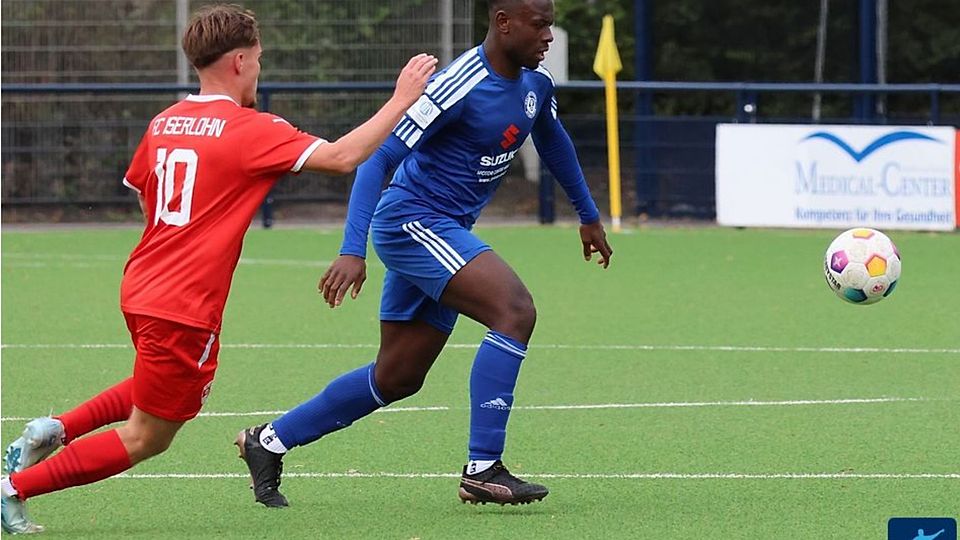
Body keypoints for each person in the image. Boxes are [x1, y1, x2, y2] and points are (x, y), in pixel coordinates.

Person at [0, 4, 436, 534]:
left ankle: (52, 429)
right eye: (256, 60)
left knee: (156, 389)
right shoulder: (251, 129)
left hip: (141, 286)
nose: (258, 69)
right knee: (150, 436)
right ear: (236, 61)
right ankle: (13, 489)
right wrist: (402, 99)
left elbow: (145, 194)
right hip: (183, 304)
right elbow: (345, 157)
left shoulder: (166, 119)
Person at [235, 0, 613, 508]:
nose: (549, 35)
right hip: (413, 223)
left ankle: (268, 442)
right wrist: (353, 249)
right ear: (504, 23)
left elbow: (554, 141)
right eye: (540, 24)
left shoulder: (536, 84)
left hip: (443, 229)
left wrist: (587, 215)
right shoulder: (459, 84)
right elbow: (379, 159)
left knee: (397, 377)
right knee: (514, 310)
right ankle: (483, 468)